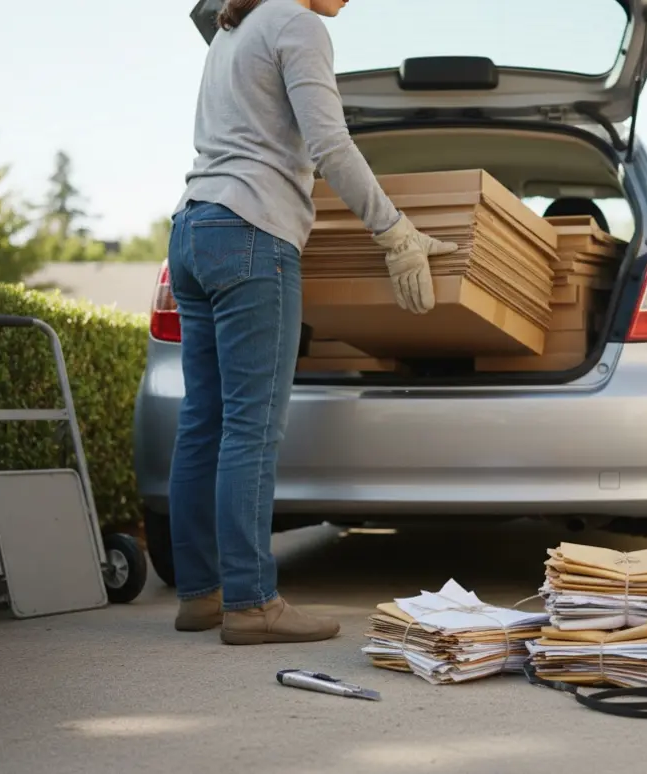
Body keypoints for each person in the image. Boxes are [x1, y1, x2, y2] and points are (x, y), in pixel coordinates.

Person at [165, 0, 457, 645]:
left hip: (192, 226)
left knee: (203, 421)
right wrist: (394, 229)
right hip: (250, 230)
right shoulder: (297, 24)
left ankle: (202, 595)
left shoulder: (232, 30)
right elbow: (329, 144)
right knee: (251, 428)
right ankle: (253, 604)